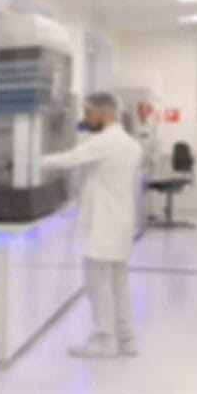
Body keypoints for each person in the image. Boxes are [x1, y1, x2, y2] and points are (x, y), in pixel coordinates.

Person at [40, 91, 143, 358]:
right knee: (119, 283)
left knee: (98, 286)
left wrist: (29, 161)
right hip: (120, 223)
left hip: (102, 225)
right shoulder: (132, 145)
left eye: (88, 112)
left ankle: (104, 341)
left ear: (103, 112)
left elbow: (68, 159)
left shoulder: (105, 142)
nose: (86, 118)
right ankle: (127, 339)